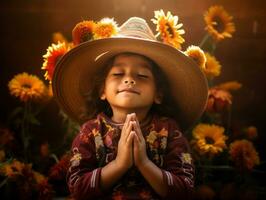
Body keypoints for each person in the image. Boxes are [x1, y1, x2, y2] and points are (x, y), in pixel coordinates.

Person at [52, 17, 208, 199]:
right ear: (102, 90)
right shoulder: (91, 132)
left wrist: (144, 163)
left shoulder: (169, 131)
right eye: (118, 73)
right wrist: (119, 164)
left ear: (158, 94)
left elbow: (184, 190)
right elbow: (78, 190)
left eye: (142, 75)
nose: (129, 79)